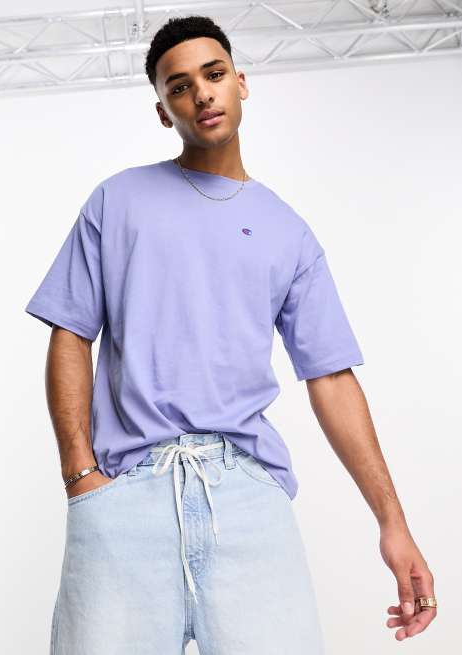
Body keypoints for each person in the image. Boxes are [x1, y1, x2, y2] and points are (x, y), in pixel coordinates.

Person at [25, 14, 437, 655]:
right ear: (163, 111)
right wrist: (80, 473)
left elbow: (330, 377)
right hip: (125, 495)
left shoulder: (288, 232)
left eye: (213, 75)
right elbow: (71, 334)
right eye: (180, 86)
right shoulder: (117, 201)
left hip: (246, 497)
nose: (202, 94)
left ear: (241, 83)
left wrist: (393, 522)